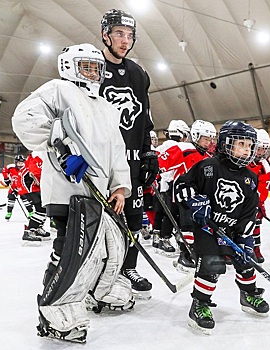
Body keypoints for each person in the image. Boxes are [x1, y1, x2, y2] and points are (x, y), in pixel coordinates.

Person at [12, 43, 133, 343]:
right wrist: (61, 144)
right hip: (67, 191)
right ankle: (53, 308)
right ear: (69, 66)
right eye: (86, 66)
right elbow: (24, 119)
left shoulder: (106, 106)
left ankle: (93, 292)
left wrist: (120, 186)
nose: (93, 73)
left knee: (101, 250)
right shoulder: (58, 90)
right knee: (71, 250)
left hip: (98, 193)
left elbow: (116, 150)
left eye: (96, 68)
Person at [174, 120, 269, 334]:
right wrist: (193, 201)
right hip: (207, 228)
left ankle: (249, 294)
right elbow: (181, 185)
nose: (247, 150)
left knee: (246, 260)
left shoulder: (250, 178)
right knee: (212, 263)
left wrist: (245, 239)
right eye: (241, 144)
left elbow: (248, 212)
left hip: (233, 230)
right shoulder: (209, 167)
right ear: (226, 144)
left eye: (249, 145)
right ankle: (199, 304)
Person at [99, 9, 157, 298]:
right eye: (120, 33)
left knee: (133, 219)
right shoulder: (92, 67)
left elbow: (145, 117)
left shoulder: (137, 73)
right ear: (105, 35)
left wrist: (148, 153)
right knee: (101, 221)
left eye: (130, 35)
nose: (125, 40)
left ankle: (128, 268)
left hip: (132, 160)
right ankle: (99, 272)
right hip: (101, 163)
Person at [158, 119, 216, 271]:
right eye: (206, 139)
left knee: (199, 225)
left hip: (200, 199)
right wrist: (154, 169)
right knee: (188, 225)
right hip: (183, 196)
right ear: (196, 137)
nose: (209, 143)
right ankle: (185, 255)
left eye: (211, 139)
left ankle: (194, 251)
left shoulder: (208, 157)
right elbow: (162, 159)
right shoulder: (185, 149)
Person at [153, 120, 191, 256]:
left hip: (164, 185)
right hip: (173, 185)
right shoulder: (180, 147)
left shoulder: (162, 146)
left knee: (163, 213)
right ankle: (166, 238)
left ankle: (160, 237)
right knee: (173, 214)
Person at [248, 128, 270, 263]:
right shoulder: (244, 161)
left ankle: (256, 249)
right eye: (259, 149)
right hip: (242, 203)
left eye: (264, 149)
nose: (261, 152)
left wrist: (259, 202)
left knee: (256, 226)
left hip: (256, 203)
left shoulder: (264, 165)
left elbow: (266, 185)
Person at [19, 153, 50, 245]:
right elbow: (35, 172)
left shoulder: (38, 154)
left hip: (31, 186)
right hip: (30, 187)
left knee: (43, 208)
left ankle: (36, 228)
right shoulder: (38, 154)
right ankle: (29, 231)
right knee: (41, 209)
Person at [2, 155, 33, 220]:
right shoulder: (11, 167)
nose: (20, 165)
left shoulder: (26, 169)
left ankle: (31, 212)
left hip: (23, 187)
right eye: (19, 163)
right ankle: (9, 212)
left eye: (22, 163)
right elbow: (4, 170)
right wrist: (6, 179)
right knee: (11, 199)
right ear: (16, 163)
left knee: (26, 200)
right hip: (13, 186)